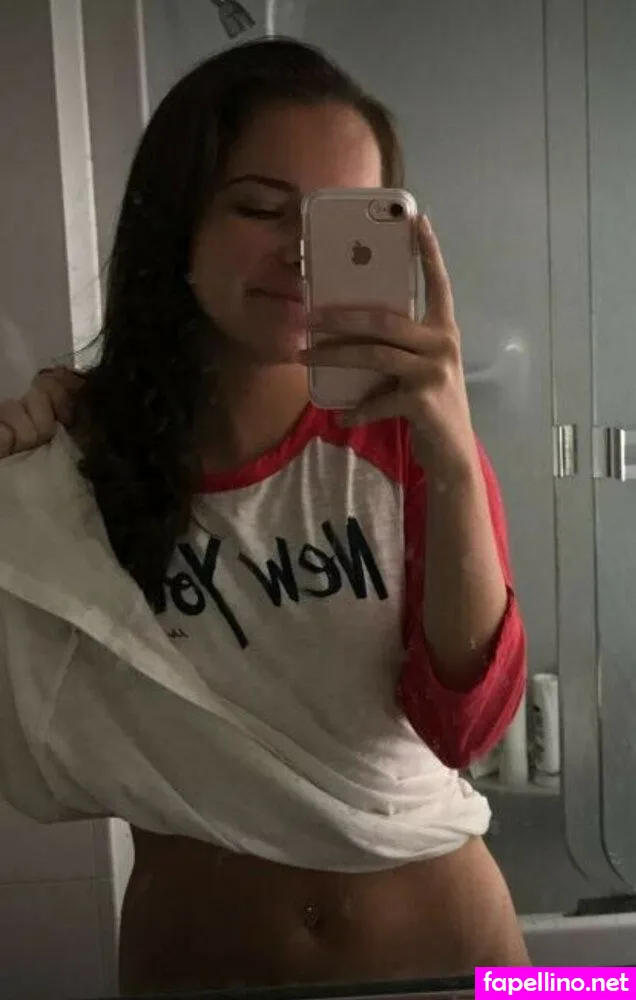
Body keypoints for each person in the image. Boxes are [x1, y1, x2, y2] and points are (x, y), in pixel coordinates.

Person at [0, 38, 529, 995]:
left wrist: (453, 461)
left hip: (458, 958)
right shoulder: (74, 461)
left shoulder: (409, 439)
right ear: (180, 221)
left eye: (339, 221)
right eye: (260, 207)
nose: (301, 254)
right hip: (195, 965)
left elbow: (469, 728)